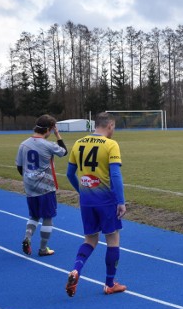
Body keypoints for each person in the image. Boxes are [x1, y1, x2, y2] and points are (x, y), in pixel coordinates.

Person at [65, 112, 127, 297]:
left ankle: (76, 269)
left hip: (87, 201)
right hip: (106, 200)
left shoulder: (78, 143)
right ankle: (109, 283)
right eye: (113, 127)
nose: (113, 131)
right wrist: (121, 201)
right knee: (113, 240)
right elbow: (115, 175)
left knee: (90, 240)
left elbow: (69, 174)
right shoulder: (110, 144)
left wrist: (81, 191)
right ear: (109, 125)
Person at [15, 114, 68, 257]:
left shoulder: (23, 144)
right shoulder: (48, 145)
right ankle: (43, 248)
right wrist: (58, 135)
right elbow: (64, 152)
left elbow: (19, 167)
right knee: (48, 217)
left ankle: (27, 237)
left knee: (34, 215)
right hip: (46, 187)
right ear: (49, 129)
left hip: (30, 187)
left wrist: (29, 179)